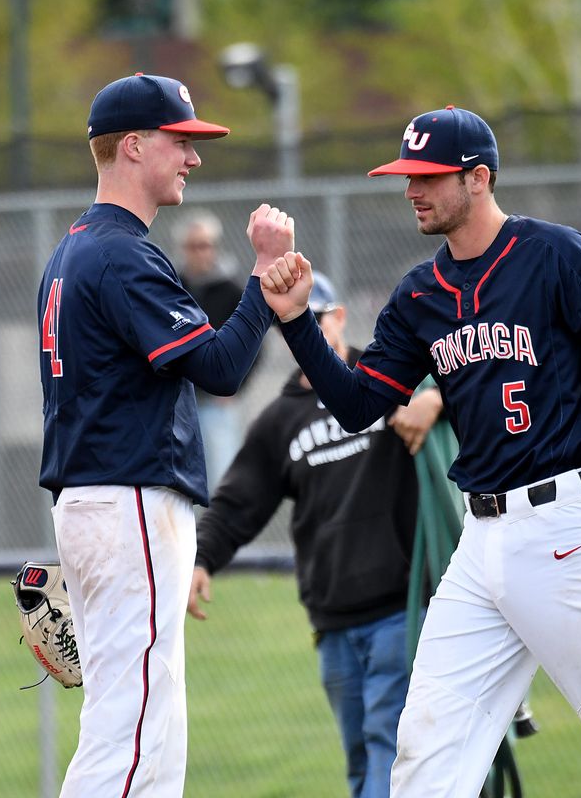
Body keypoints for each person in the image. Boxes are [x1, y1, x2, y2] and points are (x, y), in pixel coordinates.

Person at [259, 106, 581, 796]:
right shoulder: (419, 294)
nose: (411, 189)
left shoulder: (552, 253)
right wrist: (296, 322)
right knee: (425, 755)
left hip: (569, 524)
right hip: (480, 544)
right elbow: (360, 405)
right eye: (406, 176)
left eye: (428, 176)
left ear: (477, 178)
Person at [37, 73, 294, 797]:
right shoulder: (121, 254)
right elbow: (219, 368)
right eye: (181, 141)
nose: (193, 156)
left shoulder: (72, 252)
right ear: (132, 145)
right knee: (133, 733)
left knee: (137, 727)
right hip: (129, 505)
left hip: (94, 503)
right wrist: (267, 279)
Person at [186, 274, 444, 798]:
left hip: (401, 608)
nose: (303, 330)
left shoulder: (388, 379)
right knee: (361, 761)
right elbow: (238, 501)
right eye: (290, 324)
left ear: (340, 318)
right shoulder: (280, 420)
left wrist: (436, 396)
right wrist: (200, 559)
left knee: (388, 750)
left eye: (314, 317)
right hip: (332, 622)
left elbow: (469, 371)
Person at [177, 210, 253, 487]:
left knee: (221, 479)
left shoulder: (231, 288)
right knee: (182, 483)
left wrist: (237, 386)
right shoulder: (174, 286)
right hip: (178, 401)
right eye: (193, 246)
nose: (200, 252)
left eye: (205, 245)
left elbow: (255, 343)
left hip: (216, 402)